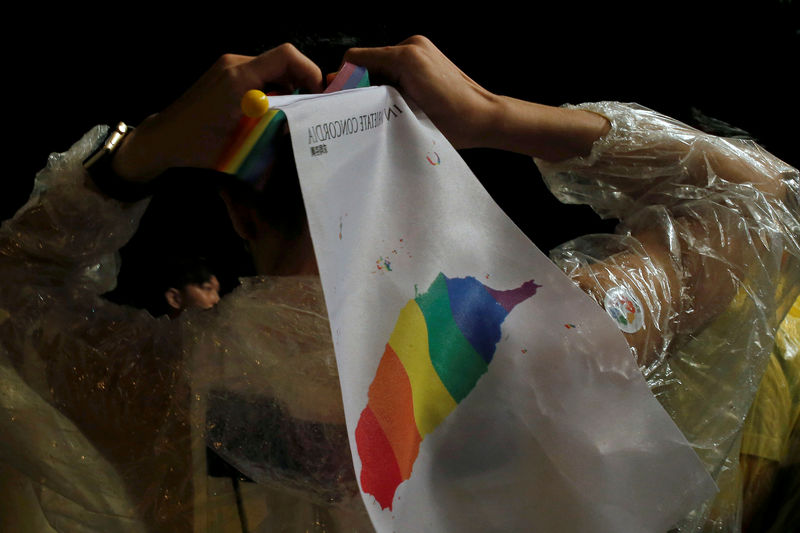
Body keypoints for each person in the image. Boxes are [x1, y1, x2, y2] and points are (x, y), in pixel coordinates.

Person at [0, 36, 797, 532]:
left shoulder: (166, 395)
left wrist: (141, 150)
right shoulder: (555, 339)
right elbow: (760, 197)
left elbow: (13, 285)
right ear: (426, 176)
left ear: (238, 213)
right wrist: (495, 116)